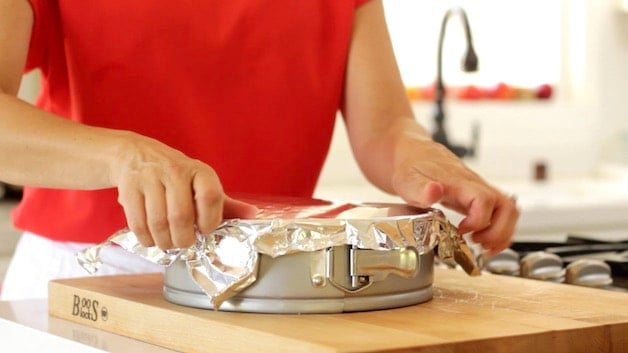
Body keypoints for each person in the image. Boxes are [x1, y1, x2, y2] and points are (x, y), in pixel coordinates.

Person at [0, 0, 518, 300]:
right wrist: (123, 156)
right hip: (89, 278)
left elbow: (384, 126)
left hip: (270, 288)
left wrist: (424, 163)